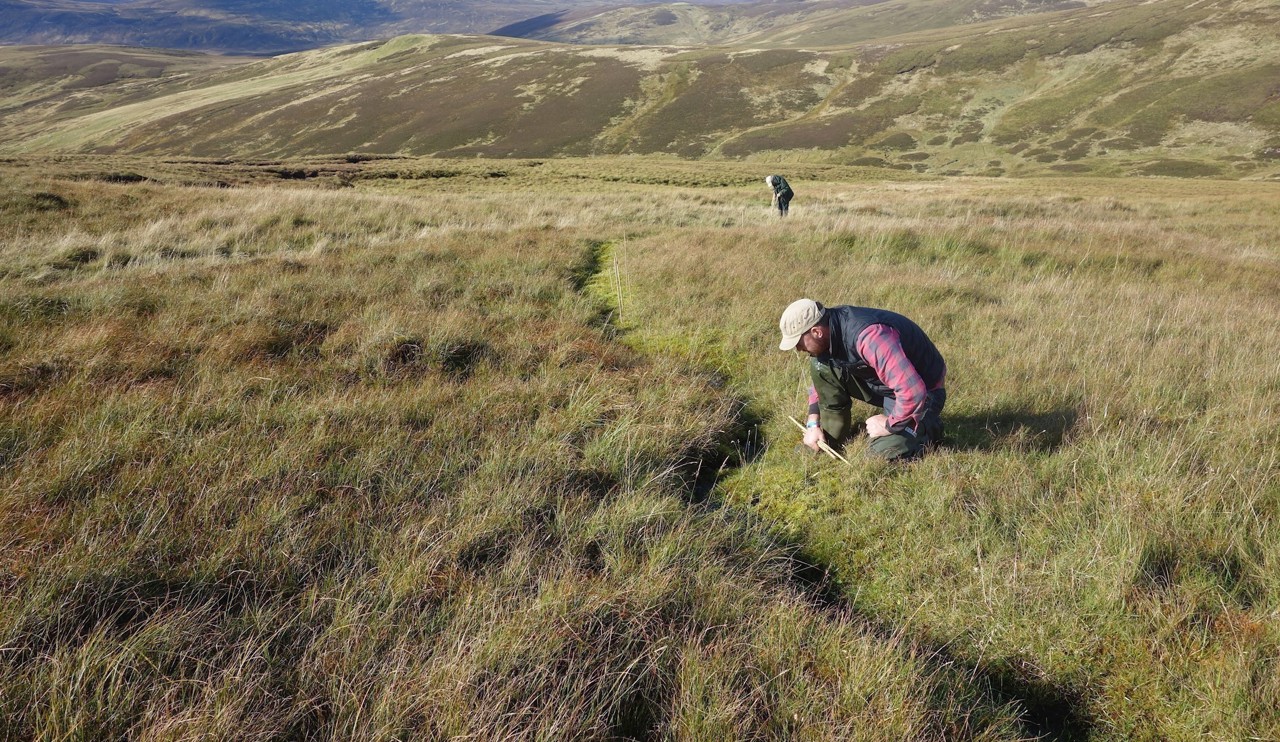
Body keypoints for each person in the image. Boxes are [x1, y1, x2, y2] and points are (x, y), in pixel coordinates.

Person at [778, 298, 946, 461]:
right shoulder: (829, 332)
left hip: (925, 392)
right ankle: (829, 437)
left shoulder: (870, 336)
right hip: (884, 386)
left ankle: (928, 428)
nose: (798, 349)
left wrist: (889, 425)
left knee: (877, 454)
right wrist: (813, 424)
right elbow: (822, 383)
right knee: (821, 365)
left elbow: (913, 390)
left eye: (798, 342)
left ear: (816, 332)